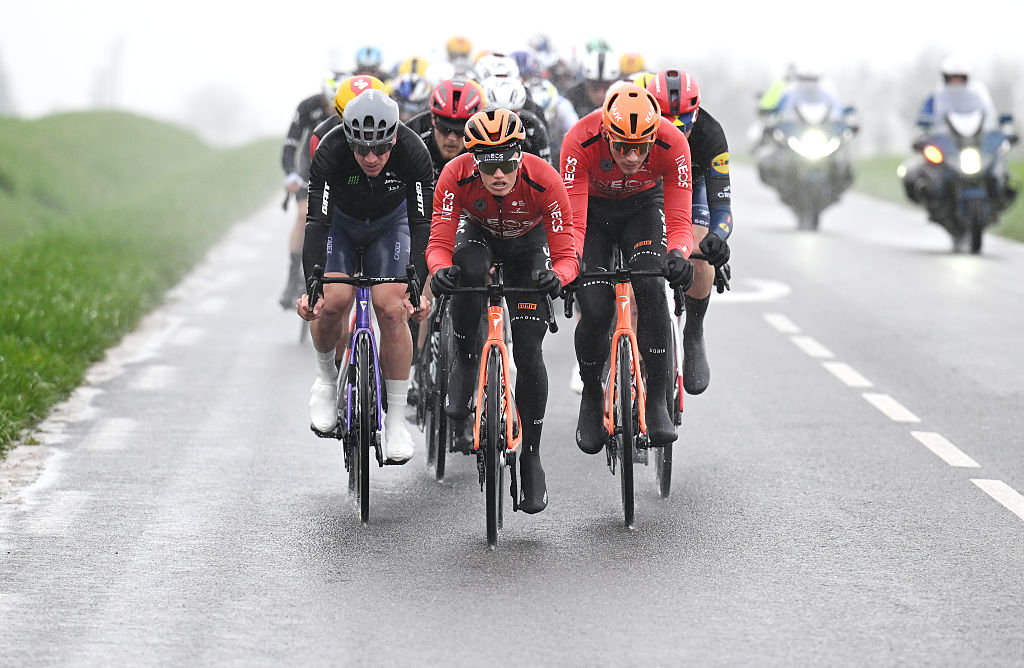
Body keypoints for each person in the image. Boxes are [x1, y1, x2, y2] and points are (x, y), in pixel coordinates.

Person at [427, 108, 579, 513]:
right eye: (488, 164)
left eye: (507, 163)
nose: (498, 174)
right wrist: (440, 270)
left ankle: (530, 455)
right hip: (478, 237)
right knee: (467, 272)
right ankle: (465, 357)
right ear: (473, 161)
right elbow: (439, 243)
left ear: (520, 156)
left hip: (528, 247)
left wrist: (558, 277)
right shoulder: (454, 175)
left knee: (529, 351)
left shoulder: (544, 179)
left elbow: (567, 254)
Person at [296, 90, 433, 463]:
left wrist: (417, 286)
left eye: (380, 150)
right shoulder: (330, 150)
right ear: (348, 139)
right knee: (332, 302)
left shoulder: (413, 150)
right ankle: (325, 381)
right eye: (362, 150)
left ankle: (396, 421)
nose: (371, 158)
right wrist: (313, 285)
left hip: (392, 227)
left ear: (393, 138)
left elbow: (422, 224)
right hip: (340, 226)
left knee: (391, 309)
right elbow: (316, 222)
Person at [560, 83, 695, 453]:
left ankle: (655, 400)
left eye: (641, 147)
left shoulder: (673, 142)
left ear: (655, 136)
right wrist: (570, 265)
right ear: (606, 133)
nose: (632, 157)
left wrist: (679, 254)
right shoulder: (579, 139)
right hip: (594, 216)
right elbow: (573, 225)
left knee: (651, 288)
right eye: (622, 147)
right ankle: (591, 394)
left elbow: (680, 221)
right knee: (595, 307)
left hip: (642, 210)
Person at [644, 69, 732, 395]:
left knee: (698, 255)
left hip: (693, 194)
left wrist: (715, 239)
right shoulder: (637, 125)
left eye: (684, 120)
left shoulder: (711, 134)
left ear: (697, 113)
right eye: (666, 118)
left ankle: (693, 332)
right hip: (650, 192)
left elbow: (722, 208)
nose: (676, 127)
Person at [278, 72, 340, 309]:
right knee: (304, 214)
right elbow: (290, 143)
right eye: (328, 104)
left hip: (337, 172)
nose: (332, 110)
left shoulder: (353, 110)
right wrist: (291, 174)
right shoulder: (308, 106)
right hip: (309, 170)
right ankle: (293, 275)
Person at [479, 75, 552, 165]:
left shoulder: (533, 125)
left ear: (520, 111)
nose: (504, 123)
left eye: (512, 115)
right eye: (493, 116)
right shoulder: (472, 125)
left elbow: (545, 170)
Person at [564, 50, 622, 119]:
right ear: (586, 82)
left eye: (606, 87)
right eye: (595, 87)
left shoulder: (623, 98)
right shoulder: (572, 96)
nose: (600, 95)